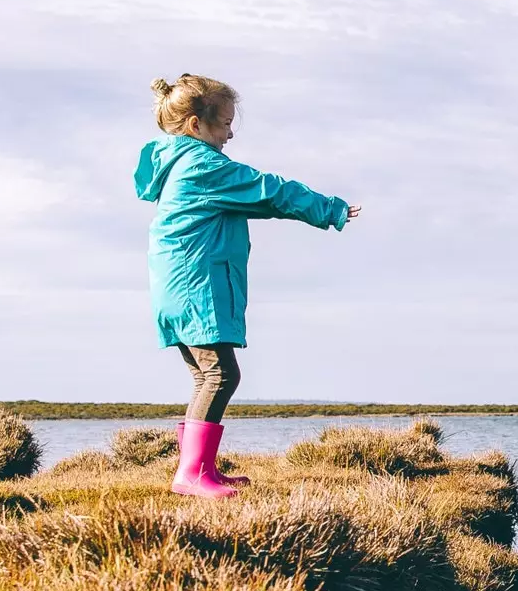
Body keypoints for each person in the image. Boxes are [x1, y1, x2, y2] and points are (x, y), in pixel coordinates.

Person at [134, 74, 359, 498]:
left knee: (207, 377)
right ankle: (191, 474)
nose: (230, 132)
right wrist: (330, 208)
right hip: (195, 284)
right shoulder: (204, 166)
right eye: (223, 123)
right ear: (195, 126)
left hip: (178, 287)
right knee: (220, 375)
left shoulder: (179, 163)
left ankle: (201, 470)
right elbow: (267, 192)